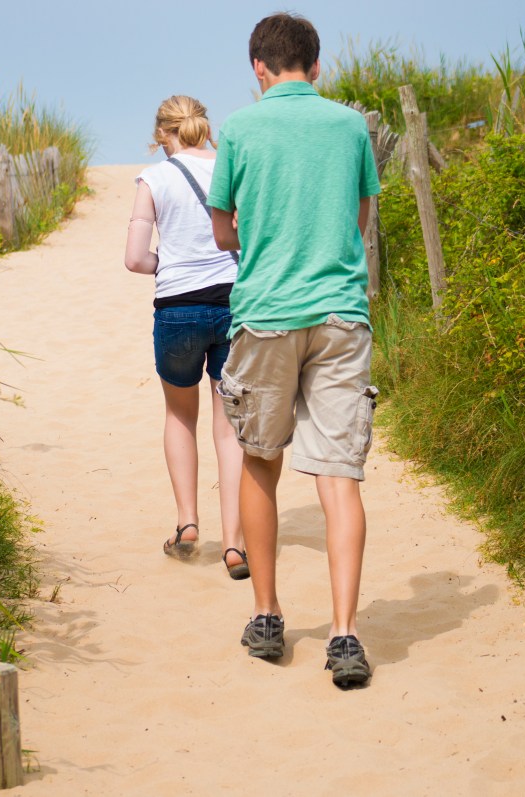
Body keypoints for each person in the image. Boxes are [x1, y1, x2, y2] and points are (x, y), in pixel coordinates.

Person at [207, 13, 381, 687]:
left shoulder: (240, 129)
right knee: (339, 475)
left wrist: (259, 236)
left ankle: (267, 614)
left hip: (267, 314)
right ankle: (344, 633)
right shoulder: (349, 126)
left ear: (259, 67)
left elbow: (224, 232)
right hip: (341, 314)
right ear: (316, 64)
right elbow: (360, 219)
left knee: (260, 460)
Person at [124, 95, 249, 581]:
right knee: (229, 424)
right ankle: (235, 543)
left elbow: (135, 259)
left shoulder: (153, 179)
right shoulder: (228, 169)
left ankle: (187, 523)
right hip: (233, 302)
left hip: (177, 308)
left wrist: (170, 264)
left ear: (162, 134)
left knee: (180, 414)